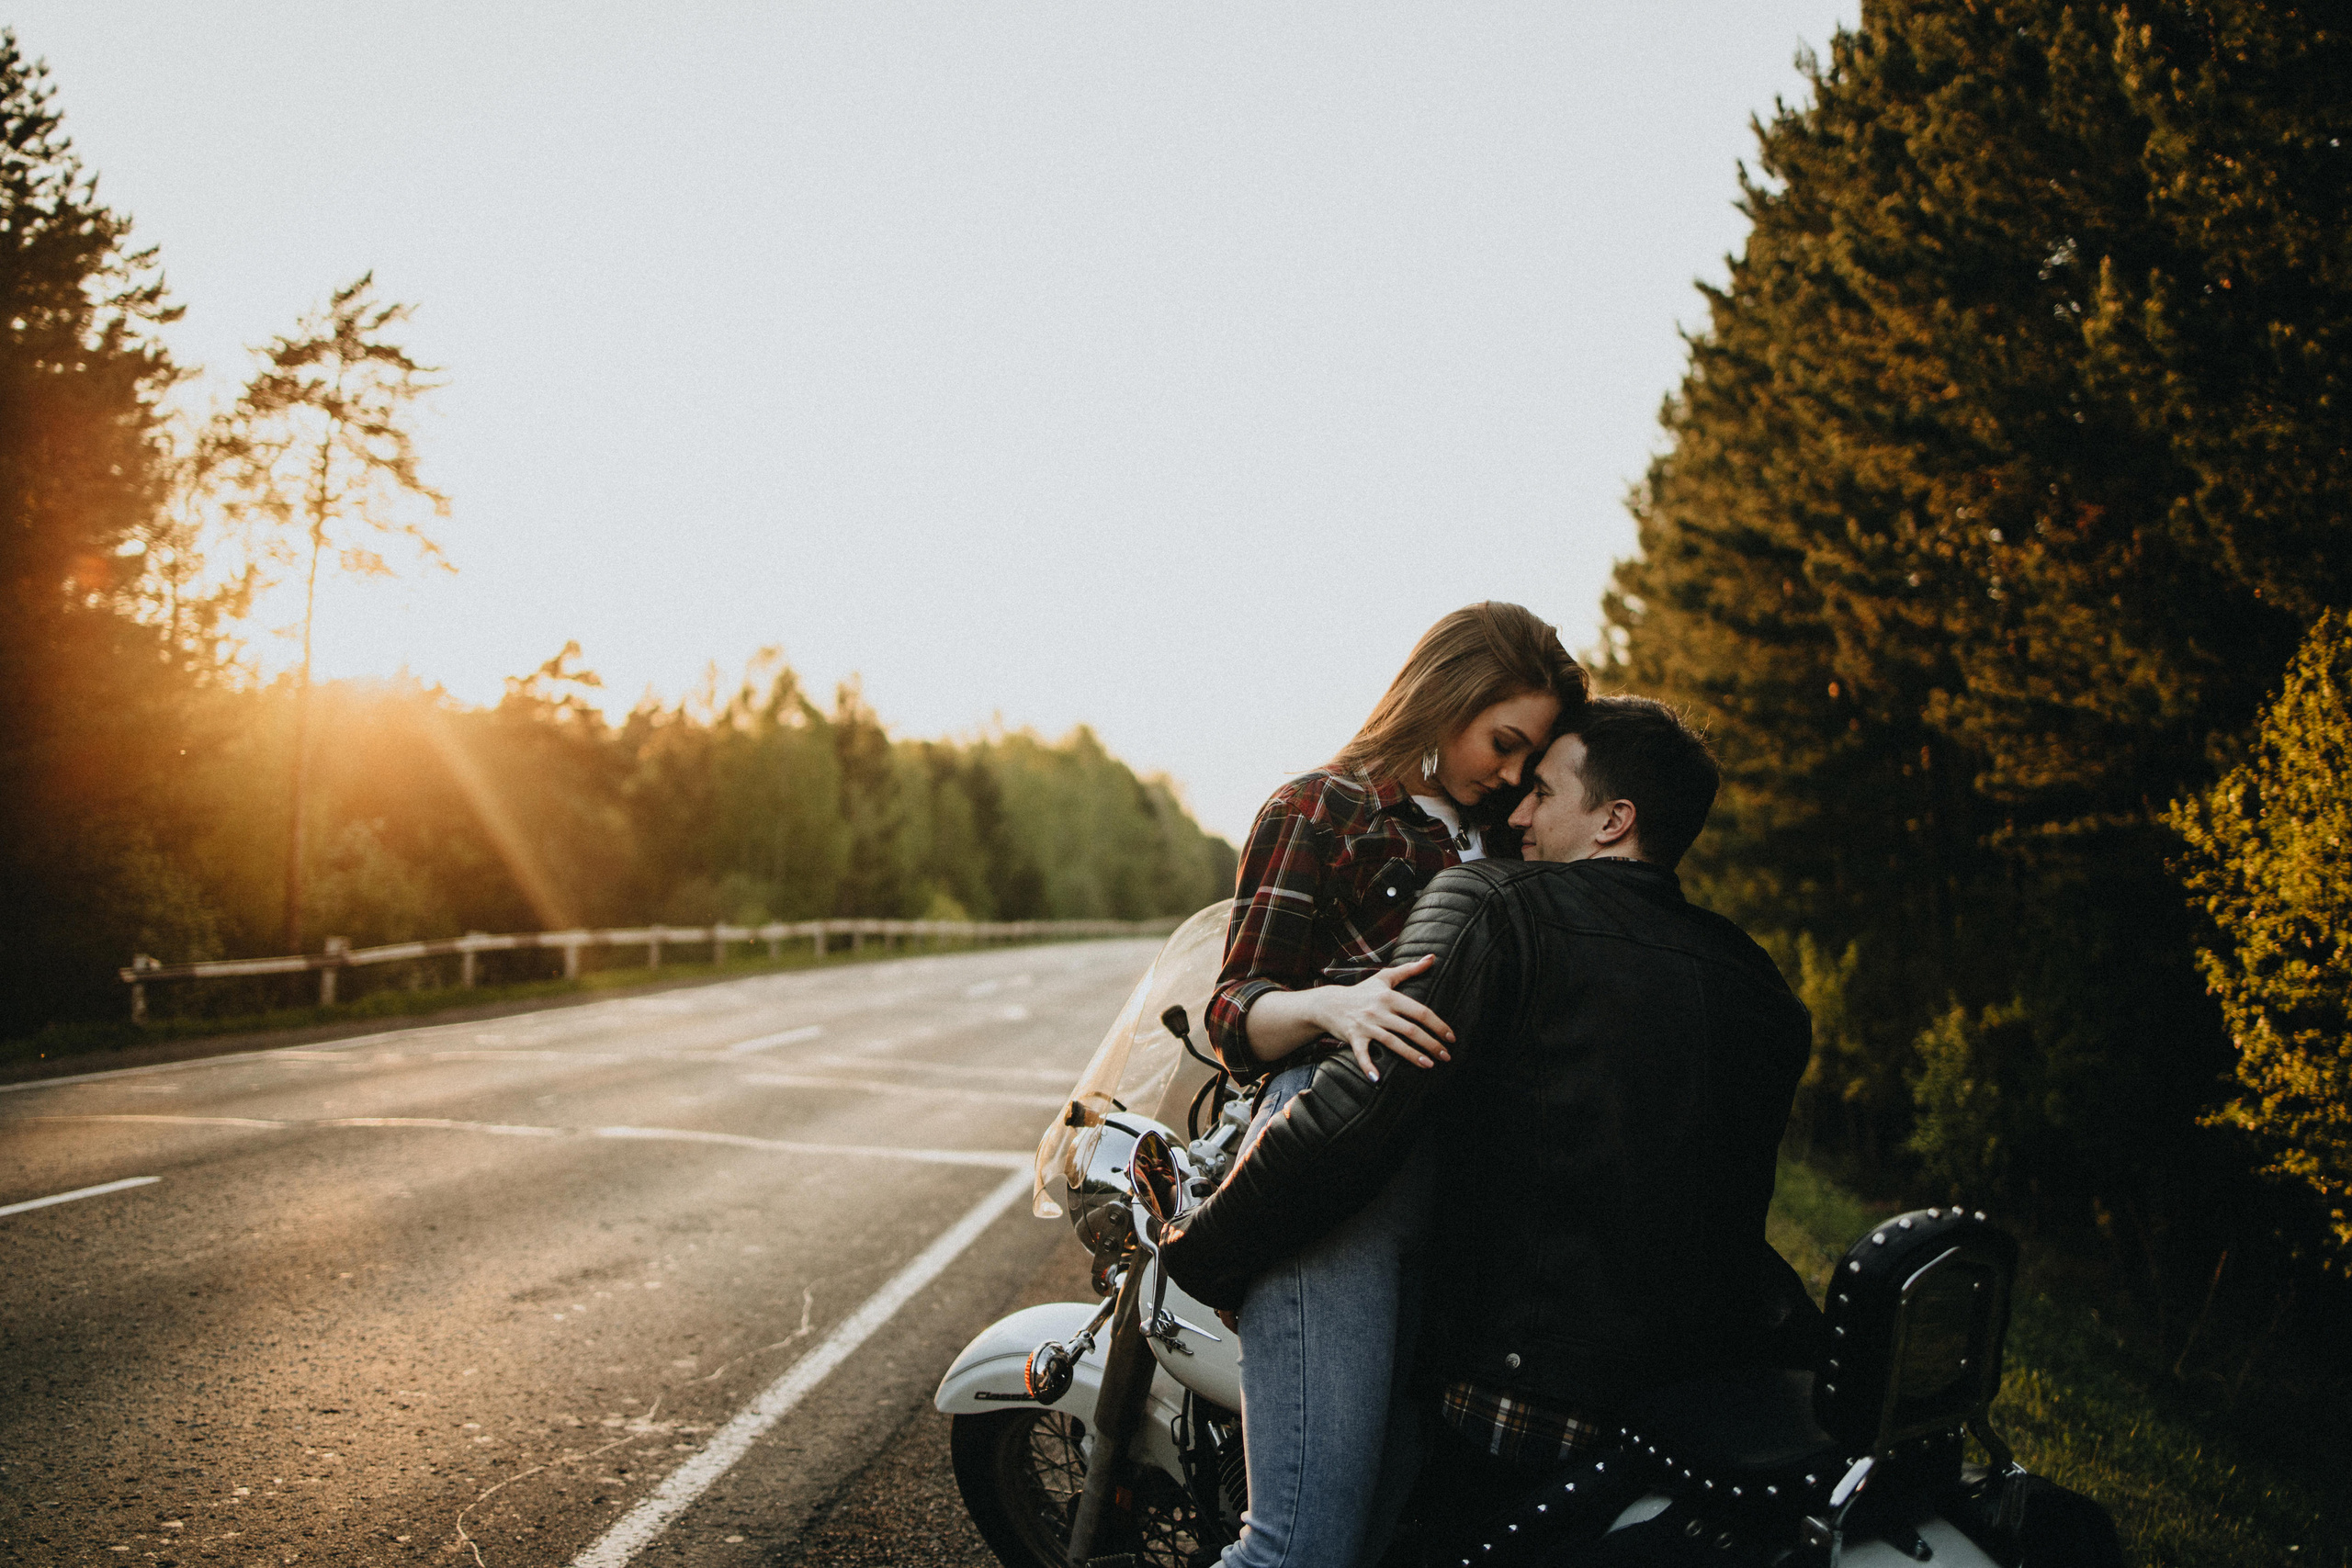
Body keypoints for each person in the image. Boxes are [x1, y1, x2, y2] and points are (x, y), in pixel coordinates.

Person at [1162, 695, 1813, 1553]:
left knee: (1298, 1546)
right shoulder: (1760, 981)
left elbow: (1353, 1117)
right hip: (1682, 1399)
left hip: (1513, 1398)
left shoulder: (1492, 902)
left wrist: (1197, 1246)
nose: (1517, 814)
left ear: (1614, 818)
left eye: (1542, 791)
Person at [1200, 602, 1589, 1568]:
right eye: (1502, 743)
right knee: (1300, 1546)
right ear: (1446, 693)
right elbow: (1232, 1012)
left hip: (1460, 1210)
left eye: (1527, 760)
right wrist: (1334, 1009)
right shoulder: (1318, 807)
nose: (1508, 776)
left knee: (1384, 1537)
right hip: (1338, 1176)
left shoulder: (1512, 842)